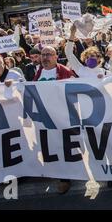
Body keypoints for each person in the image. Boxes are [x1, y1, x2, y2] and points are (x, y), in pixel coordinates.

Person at [32, 46, 74, 195]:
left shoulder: (64, 71)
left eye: (49, 54)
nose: (45, 57)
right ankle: (60, 173)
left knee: (65, 147)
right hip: (45, 117)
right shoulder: (38, 72)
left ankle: (66, 178)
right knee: (52, 146)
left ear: (56, 57)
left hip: (62, 116)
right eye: (43, 54)